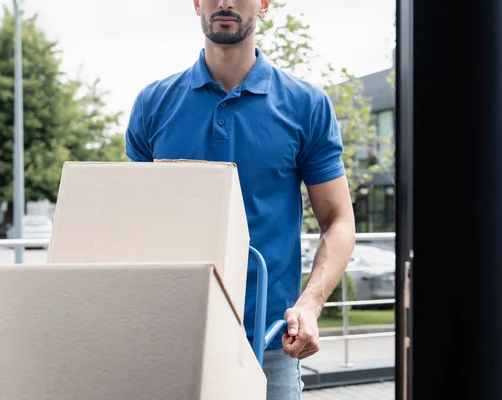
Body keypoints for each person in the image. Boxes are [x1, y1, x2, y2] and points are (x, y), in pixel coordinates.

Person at [124, 0, 356, 398]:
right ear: (196, 3)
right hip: (169, 340)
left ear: (263, 4)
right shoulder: (153, 104)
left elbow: (338, 220)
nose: (226, 3)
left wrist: (311, 305)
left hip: (268, 345)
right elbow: (133, 222)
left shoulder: (306, 105)